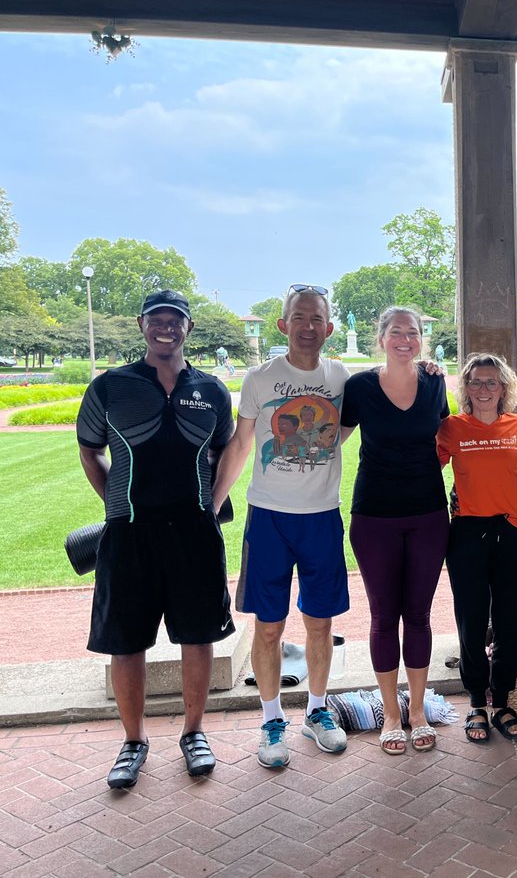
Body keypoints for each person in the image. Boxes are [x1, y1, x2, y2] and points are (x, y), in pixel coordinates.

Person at [76, 289, 235, 789]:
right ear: (141, 324)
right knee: (125, 642)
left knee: (198, 635)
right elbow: (90, 451)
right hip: (129, 532)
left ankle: (194, 733)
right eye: (157, 320)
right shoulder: (111, 387)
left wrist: (210, 504)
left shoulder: (211, 390)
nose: (166, 328)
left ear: (189, 327)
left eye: (175, 320)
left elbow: (223, 452)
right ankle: (133, 741)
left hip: (194, 529)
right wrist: (116, 504)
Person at [211, 284, 351, 770]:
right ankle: (271, 720)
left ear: (329, 328)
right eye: (299, 317)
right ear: (283, 324)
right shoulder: (260, 378)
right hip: (269, 517)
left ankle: (316, 711)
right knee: (268, 627)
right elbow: (240, 444)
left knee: (320, 624)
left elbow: (346, 428)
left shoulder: (341, 377)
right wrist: (213, 505)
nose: (307, 327)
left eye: (316, 319)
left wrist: (428, 369)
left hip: (322, 516)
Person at [341, 306, 449, 755]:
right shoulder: (360, 386)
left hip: (428, 514)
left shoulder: (435, 382)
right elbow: (331, 440)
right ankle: (390, 713)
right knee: (384, 617)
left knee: (418, 616)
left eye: (414, 332)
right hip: (374, 517)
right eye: (397, 332)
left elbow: (448, 437)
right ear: (381, 337)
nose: (406, 339)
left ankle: (418, 710)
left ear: (422, 339)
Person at [436, 353, 517, 743]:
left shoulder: (516, 425)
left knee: (509, 618)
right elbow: (427, 469)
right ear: (466, 387)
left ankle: (502, 700)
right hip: (468, 532)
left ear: (504, 387)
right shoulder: (452, 427)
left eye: (492, 382)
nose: (484, 388)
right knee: (471, 617)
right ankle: (476, 700)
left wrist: (498, 484)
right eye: (476, 381)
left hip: (511, 529)